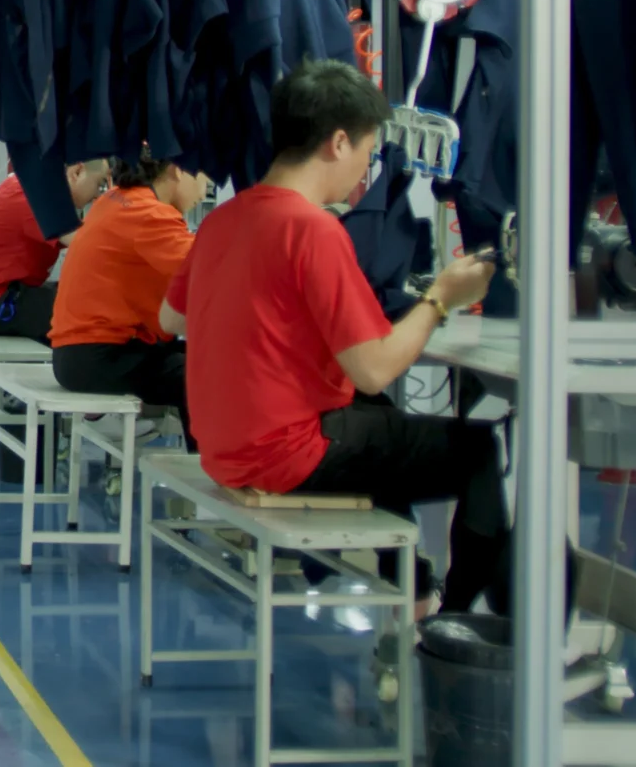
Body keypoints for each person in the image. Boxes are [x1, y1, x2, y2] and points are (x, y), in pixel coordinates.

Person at [165, 60, 503, 612]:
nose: (364, 171)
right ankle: (457, 619)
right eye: (367, 154)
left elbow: (170, 320)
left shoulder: (224, 220)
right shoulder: (314, 228)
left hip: (222, 447)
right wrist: (441, 298)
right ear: (337, 142)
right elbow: (373, 366)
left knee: (383, 425)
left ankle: (413, 588)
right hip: (281, 455)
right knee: (476, 450)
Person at [46, 153, 207, 442]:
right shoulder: (149, 213)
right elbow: (212, 269)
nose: (205, 189)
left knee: (199, 364)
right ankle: (213, 476)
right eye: (205, 177)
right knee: (204, 377)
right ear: (178, 171)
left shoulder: (115, 199)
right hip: (102, 359)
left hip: (77, 358)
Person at [0, 159, 112, 340]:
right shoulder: (38, 198)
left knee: (84, 297)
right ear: (77, 172)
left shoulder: (31, 187)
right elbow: (89, 244)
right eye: (99, 184)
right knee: (96, 310)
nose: (97, 195)